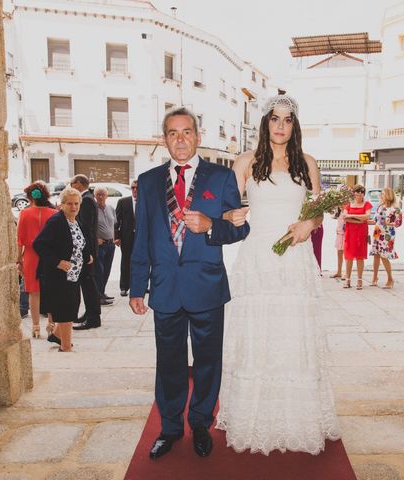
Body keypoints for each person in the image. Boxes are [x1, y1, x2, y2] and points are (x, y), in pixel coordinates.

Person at [215, 94, 341, 455]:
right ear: (265, 123)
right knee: (258, 335)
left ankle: (297, 418)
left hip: (295, 259)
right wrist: (229, 216)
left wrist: (308, 224)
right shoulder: (246, 162)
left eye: (287, 120)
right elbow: (227, 209)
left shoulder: (308, 163)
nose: (280, 126)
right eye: (275, 119)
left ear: (294, 125)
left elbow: (319, 212)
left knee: (292, 335)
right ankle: (253, 417)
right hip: (257, 259)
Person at [129, 107, 250, 459]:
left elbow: (239, 227)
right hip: (165, 287)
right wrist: (138, 287)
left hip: (207, 286)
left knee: (208, 360)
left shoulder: (220, 177)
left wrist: (211, 225)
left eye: (186, 132)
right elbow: (142, 239)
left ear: (198, 136)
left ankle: (200, 423)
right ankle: (169, 428)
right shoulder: (149, 181)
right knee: (168, 362)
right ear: (164, 139)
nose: (180, 139)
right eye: (172, 133)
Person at [33, 187, 93, 352]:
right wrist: (57, 262)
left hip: (73, 274)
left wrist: (87, 256)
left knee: (73, 307)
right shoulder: (56, 221)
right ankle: (66, 347)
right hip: (58, 276)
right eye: (69, 204)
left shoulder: (75, 220)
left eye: (76, 203)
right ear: (61, 205)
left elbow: (79, 242)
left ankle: (57, 336)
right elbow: (39, 244)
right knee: (66, 311)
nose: (73, 207)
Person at [16, 181, 57, 338]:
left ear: (30, 197)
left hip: (31, 255)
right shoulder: (53, 214)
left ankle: (35, 327)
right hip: (49, 255)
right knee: (51, 291)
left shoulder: (25, 213)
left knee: (34, 292)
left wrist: (19, 258)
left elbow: (19, 239)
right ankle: (51, 323)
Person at [70, 174, 103, 330]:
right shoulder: (88, 197)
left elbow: (86, 228)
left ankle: (93, 318)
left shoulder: (87, 200)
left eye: (72, 183)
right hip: (87, 250)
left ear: (79, 184)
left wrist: (87, 252)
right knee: (87, 283)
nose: (70, 185)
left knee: (89, 284)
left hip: (87, 251)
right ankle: (90, 313)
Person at [369, 188, 402, 289]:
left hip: (387, 234)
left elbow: (398, 223)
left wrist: (390, 223)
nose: (381, 196)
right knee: (376, 255)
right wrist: (361, 221)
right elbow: (374, 220)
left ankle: (390, 279)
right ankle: (374, 278)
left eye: (383, 194)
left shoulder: (396, 209)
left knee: (384, 256)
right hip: (377, 232)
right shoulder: (380, 207)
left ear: (388, 195)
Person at [342, 185, 372, 290]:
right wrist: (359, 219)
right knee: (349, 257)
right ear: (354, 193)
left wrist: (351, 216)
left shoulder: (367, 204)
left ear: (364, 194)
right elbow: (345, 217)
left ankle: (359, 280)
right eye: (357, 193)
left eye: (361, 193)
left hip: (361, 233)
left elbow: (367, 217)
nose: (359, 195)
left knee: (360, 257)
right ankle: (348, 280)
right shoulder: (348, 204)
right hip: (350, 233)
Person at [93, 186, 116, 304]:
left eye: (103, 194)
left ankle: (102, 293)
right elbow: (88, 227)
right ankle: (98, 296)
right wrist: (95, 239)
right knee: (99, 271)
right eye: (98, 194)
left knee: (107, 270)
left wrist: (115, 238)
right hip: (100, 245)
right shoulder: (93, 209)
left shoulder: (111, 208)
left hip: (110, 244)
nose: (101, 197)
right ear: (95, 196)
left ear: (107, 196)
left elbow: (114, 224)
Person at [115, 179, 137, 297]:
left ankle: (140, 286)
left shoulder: (146, 201)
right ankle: (124, 286)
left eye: (137, 188)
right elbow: (117, 221)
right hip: (126, 236)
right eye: (132, 187)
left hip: (141, 238)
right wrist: (117, 237)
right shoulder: (123, 202)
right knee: (126, 261)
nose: (134, 190)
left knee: (141, 262)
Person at [330, 206, 346, 280]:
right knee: (339, 253)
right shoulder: (339, 211)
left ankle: (346, 273)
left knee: (346, 254)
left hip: (346, 234)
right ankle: (339, 271)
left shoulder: (347, 210)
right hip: (339, 234)